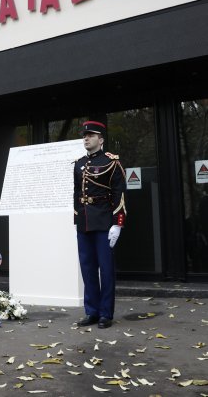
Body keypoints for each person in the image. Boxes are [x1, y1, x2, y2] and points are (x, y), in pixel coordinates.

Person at [73, 121, 126, 329]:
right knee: (87, 269)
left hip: (104, 222)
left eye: (91, 135)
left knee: (105, 270)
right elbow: (77, 194)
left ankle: (106, 313)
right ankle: (92, 311)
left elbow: (119, 194)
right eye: (84, 136)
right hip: (84, 223)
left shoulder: (112, 162)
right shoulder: (78, 164)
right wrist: (77, 219)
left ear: (101, 139)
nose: (86, 138)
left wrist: (118, 224)